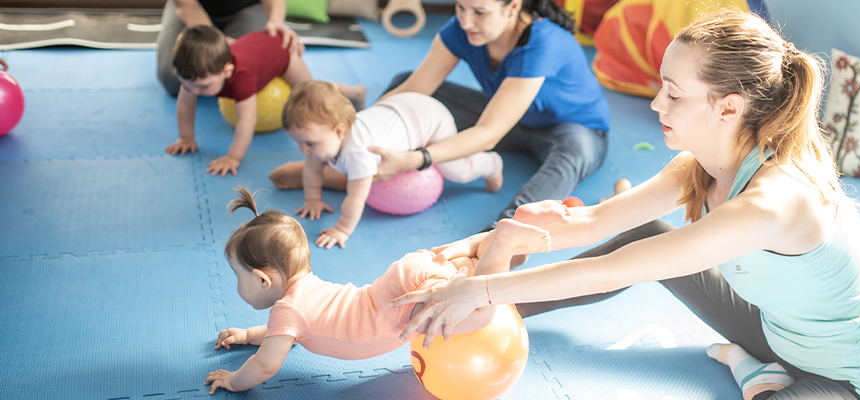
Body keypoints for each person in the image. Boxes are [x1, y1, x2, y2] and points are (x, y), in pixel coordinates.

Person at [390, 10, 860, 400]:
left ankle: (756, 376)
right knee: (646, 233)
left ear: (729, 108)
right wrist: (484, 247)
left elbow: (609, 272)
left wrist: (478, 286)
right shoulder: (698, 165)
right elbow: (594, 221)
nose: (657, 104)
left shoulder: (772, 203)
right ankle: (501, 311)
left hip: (844, 377)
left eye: (674, 95)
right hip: (771, 330)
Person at [268, 0, 611, 230]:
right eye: (460, 7)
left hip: (570, 130)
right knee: (403, 85)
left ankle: (504, 232)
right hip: (505, 118)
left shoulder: (544, 42)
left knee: (573, 156)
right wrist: (358, 142)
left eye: (479, 12)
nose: (466, 21)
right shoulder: (461, 28)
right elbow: (416, 88)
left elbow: (489, 133)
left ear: (513, 6)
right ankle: (356, 169)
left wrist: (417, 158)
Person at [203, 185, 565, 394]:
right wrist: (248, 335)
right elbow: (283, 336)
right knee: (466, 275)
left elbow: (265, 365)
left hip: (404, 305)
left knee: (480, 311)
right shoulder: (301, 296)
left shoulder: (288, 311)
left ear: (263, 279)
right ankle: (499, 241)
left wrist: (234, 381)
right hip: (402, 278)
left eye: (237, 275)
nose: (237, 283)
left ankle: (503, 242)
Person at [279, 80, 504, 250]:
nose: (303, 150)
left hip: (428, 118)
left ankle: (491, 163)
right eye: (298, 142)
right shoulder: (321, 141)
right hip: (401, 107)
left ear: (339, 131)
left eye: (309, 143)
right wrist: (313, 199)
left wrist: (342, 229)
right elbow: (312, 170)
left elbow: (356, 197)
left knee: (457, 170)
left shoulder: (357, 153)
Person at [163, 26, 362, 176]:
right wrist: (186, 137)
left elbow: (247, 120)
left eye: (204, 86)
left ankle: (355, 92)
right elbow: (186, 104)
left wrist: (233, 157)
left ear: (227, 71)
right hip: (259, 46)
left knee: (313, 93)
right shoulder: (193, 77)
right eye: (187, 84)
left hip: (282, 52)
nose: (194, 91)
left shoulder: (241, 77)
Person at [155, 0, 303, 97]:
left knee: (248, 68)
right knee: (172, 77)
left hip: (247, 8)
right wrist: (215, 41)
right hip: (192, 7)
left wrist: (276, 22)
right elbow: (185, 4)